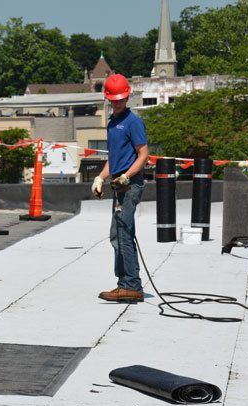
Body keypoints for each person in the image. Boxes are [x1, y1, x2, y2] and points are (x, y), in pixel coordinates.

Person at [92, 74, 149, 303]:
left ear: (127, 97)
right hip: (118, 184)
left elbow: (143, 154)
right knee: (117, 235)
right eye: (114, 100)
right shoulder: (112, 123)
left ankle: (131, 285)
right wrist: (101, 177)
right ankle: (124, 282)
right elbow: (113, 159)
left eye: (121, 100)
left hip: (131, 185)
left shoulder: (133, 122)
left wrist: (127, 176)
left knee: (124, 233)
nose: (117, 103)